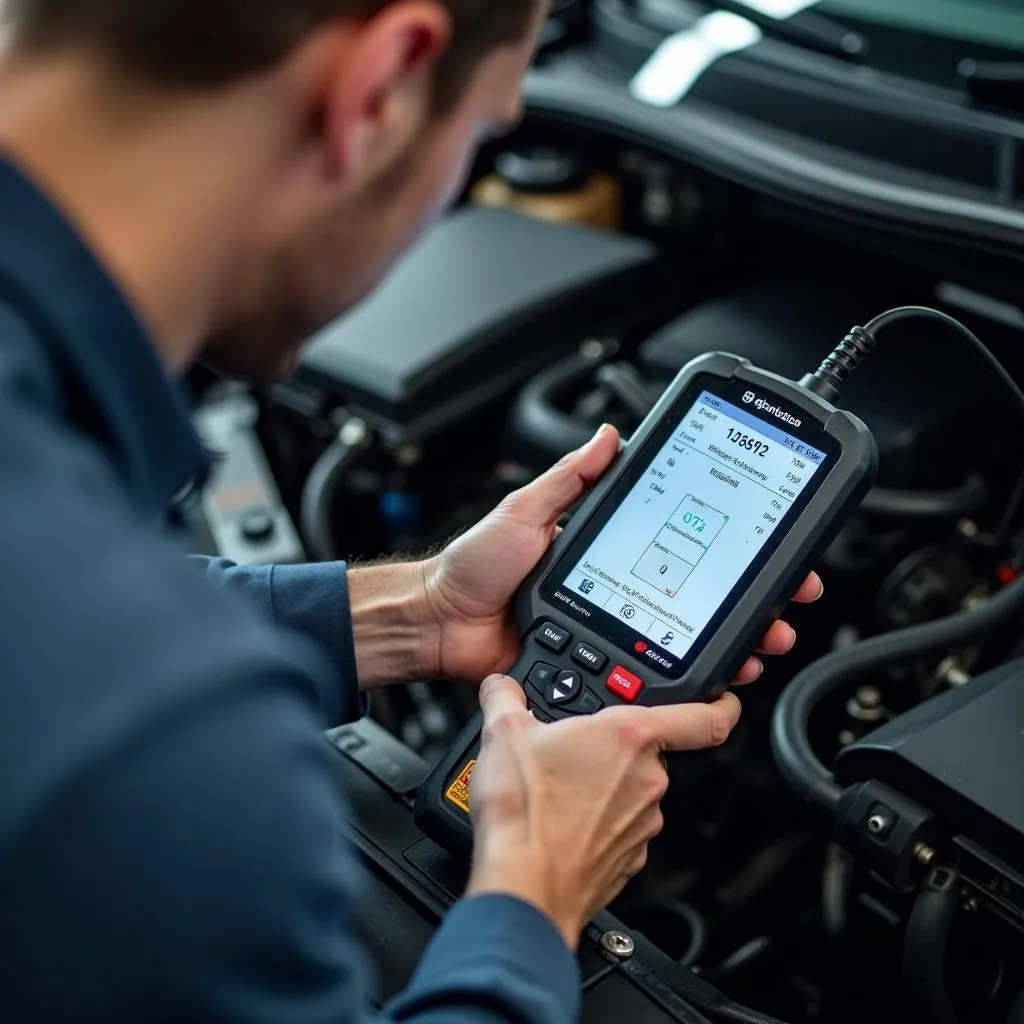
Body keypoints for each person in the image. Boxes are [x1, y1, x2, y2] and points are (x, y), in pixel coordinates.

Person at [0, 2, 823, 1022]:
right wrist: (532, 896)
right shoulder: (175, 748)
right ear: (383, 86)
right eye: (482, 134)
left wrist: (417, 612)